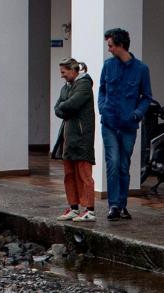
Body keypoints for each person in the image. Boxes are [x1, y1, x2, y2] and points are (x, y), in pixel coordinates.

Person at [96, 27, 152, 222]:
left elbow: (147, 97)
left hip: (129, 125)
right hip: (109, 123)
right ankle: (113, 205)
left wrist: (137, 114)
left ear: (120, 45)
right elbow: (102, 90)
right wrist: (102, 107)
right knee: (112, 162)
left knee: (123, 165)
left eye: (111, 45)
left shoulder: (142, 69)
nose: (109, 49)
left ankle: (122, 205)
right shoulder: (108, 66)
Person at [51, 58, 95, 222]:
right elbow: (59, 108)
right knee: (69, 174)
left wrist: (64, 106)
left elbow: (71, 104)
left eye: (64, 72)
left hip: (82, 137)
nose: (62, 76)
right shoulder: (67, 87)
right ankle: (74, 207)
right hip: (68, 137)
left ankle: (89, 210)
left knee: (84, 174)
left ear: (73, 70)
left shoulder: (83, 85)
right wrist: (65, 106)